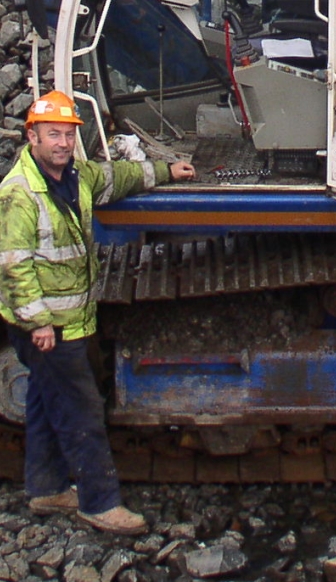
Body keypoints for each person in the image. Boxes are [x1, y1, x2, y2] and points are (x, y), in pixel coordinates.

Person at [0, 91, 196, 533]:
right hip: (50, 326)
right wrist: (39, 324)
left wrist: (164, 170)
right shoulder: (19, 194)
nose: (64, 143)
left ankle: (46, 488)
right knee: (81, 410)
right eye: (54, 134)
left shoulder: (75, 176)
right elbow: (13, 265)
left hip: (66, 318)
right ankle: (99, 502)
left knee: (42, 400)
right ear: (32, 136)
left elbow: (116, 177)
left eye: (69, 134)